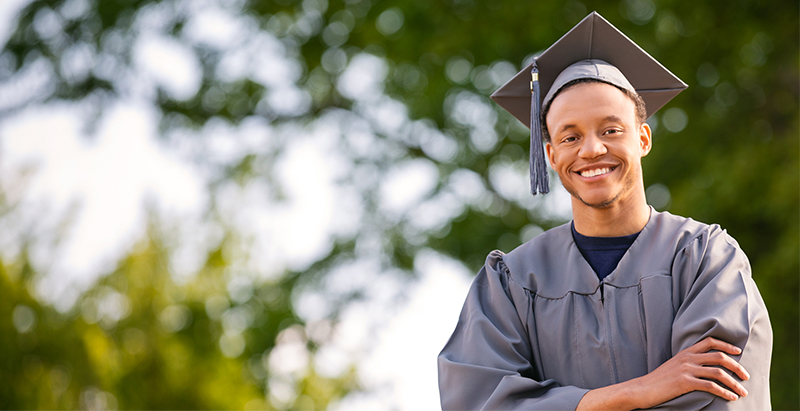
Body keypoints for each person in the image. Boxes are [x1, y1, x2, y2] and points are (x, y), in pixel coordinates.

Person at [437, 11, 772, 410]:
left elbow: (718, 397)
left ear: (643, 138)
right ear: (551, 154)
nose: (592, 149)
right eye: (570, 136)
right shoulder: (511, 284)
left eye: (611, 130)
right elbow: (477, 401)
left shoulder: (706, 260)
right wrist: (638, 391)